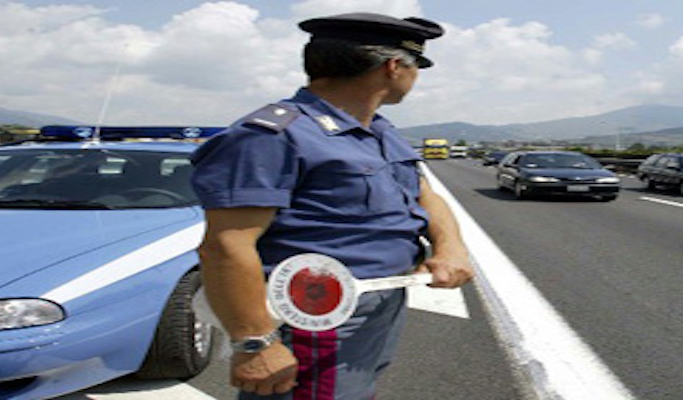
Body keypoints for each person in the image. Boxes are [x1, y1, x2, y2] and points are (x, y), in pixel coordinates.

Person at [190, 12, 474, 400]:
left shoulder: (378, 130)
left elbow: (425, 194)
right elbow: (225, 246)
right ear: (393, 67)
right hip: (314, 314)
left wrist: (449, 246)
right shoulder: (274, 135)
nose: (415, 77)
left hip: (376, 304)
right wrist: (255, 343)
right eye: (416, 66)